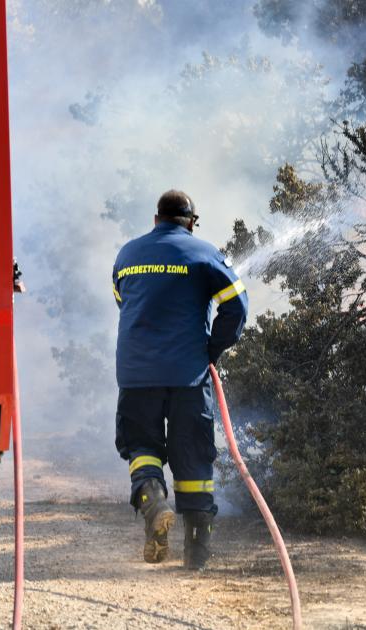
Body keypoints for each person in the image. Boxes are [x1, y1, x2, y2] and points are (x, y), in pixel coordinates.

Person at [111, 190, 248, 568]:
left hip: (136, 375)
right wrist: (211, 351)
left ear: (156, 220)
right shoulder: (203, 254)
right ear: (191, 222)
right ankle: (196, 554)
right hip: (188, 376)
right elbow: (238, 305)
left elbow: (124, 300)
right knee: (193, 459)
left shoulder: (127, 255)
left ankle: (153, 501)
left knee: (142, 448)